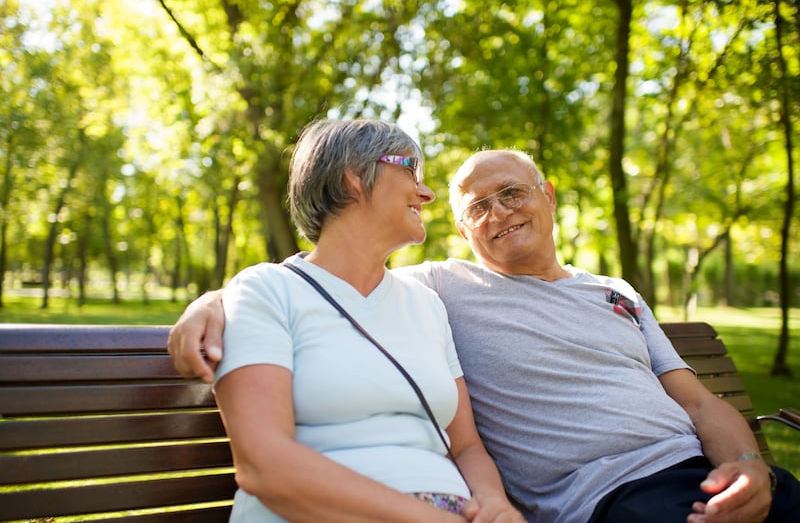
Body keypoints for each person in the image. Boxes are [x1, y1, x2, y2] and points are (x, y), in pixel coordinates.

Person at [168, 148, 800, 522]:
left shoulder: (620, 293)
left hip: (704, 473)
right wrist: (215, 299)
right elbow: (327, 271)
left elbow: (697, 403)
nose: (498, 213)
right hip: (613, 498)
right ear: (463, 230)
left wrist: (747, 465)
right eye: (476, 207)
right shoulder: (439, 286)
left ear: (548, 197)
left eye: (512, 193)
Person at [196, 119, 524, 522]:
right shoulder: (267, 291)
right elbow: (265, 467)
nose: (427, 192)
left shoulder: (427, 303)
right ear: (353, 177)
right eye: (410, 171)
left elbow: (467, 447)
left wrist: (494, 502)